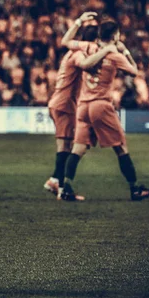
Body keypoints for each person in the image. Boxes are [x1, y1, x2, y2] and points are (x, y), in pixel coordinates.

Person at [59, 19, 149, 202]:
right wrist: (125, 50)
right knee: (121, 148)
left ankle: (66, 187)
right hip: (100, 106)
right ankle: (134, 189)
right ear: (116, 35)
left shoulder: (87, 48)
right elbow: (134, 71)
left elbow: (65, 42)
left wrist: (78, 22)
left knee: (78, 149)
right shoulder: (114, 55)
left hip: (83, 106)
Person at [44, 11, 99, 195]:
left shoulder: (72, 51)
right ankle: (60, 187)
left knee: (66, 146)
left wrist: (78, 22)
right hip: (63, 105)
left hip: (62, 103)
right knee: (65, 147)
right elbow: (86, 65)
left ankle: (55, 180)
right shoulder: (78, 55)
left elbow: (66, 40)